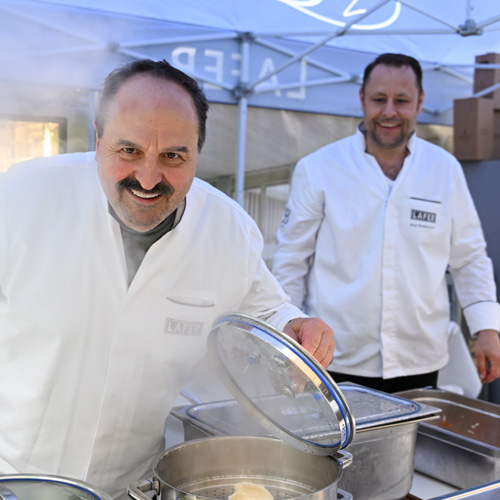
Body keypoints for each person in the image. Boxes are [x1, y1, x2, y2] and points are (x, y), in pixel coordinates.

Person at [0, 59, 334, 498]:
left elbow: (268, 310)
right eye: (129, 150)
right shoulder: (21, 198)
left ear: (198, 151)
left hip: (132, 486)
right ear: (98, 142)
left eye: (173, 156)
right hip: (12, 476)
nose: (148, 178)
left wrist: (296, 328)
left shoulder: (226, 230)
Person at [272, 52, 500, 394]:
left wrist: (487, 328)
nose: (389, 111)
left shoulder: (444, 169)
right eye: (379, 99)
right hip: (335, 357)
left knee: (414, 448)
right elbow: (291, 259)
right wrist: (286, 331)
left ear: (420, 103)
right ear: (362, 99)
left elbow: (468, 257)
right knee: (337, 449)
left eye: (402, 100)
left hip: (420, 358)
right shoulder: (318, 168)